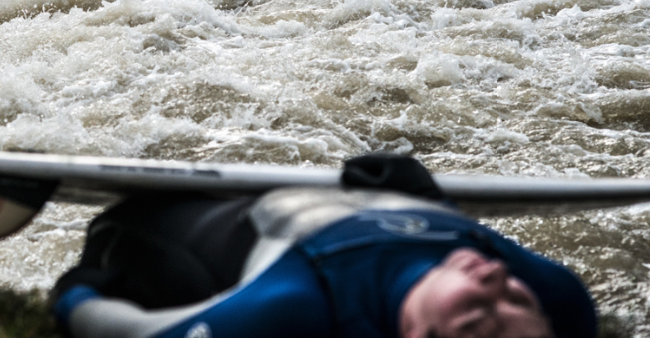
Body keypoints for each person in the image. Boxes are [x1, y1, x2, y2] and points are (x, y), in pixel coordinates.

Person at [50, 155, 597, 338]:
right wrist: (413, 194)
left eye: (476, 319)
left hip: (165, 225)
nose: (494, 281)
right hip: (385, 194)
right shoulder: (559, 302)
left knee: (123, 238)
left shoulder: (298, 305)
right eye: (514, 303)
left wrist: (77, 291)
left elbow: (131, 332)